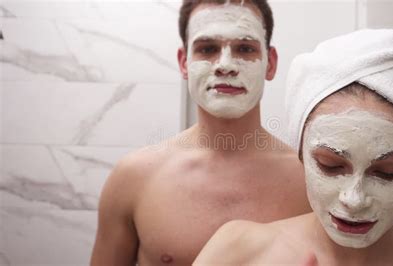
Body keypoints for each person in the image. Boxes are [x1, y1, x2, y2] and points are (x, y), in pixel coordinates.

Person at [193, 25, 393, 265]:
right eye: (330, 165)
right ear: (301, 154)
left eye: (388, 172)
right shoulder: (236, 253)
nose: (354, 200)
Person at [90, 0, 311, 265]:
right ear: (184, 63)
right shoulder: (134, 178)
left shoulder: (311, 182)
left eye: (244, 48)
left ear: (270, 63)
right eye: (207, 49)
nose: (225, 65)